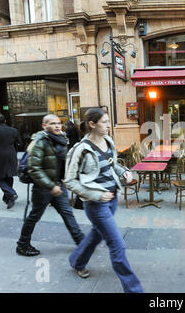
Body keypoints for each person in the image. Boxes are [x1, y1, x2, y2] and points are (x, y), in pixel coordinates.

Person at [64, 108, 143, 293]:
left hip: (113, 199)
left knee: (96, 235)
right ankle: (134, 290)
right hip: (96, 204)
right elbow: (69, 180)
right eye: (105, 122)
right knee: (117, 245)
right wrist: (96, 195)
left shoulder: (108, 141)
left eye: (109, 121)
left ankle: (76, 261)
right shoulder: (80, 149)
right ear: (92, 124)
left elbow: (111, 165)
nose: (109, 125)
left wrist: (123, 171)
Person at [16, 114, 85, 256]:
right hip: (43, 187)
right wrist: (50, 186)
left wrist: (65, 178)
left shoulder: (61, 139)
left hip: (58, 184)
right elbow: (34, 168)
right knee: (35, 215)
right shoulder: (40, 141)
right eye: (53, 123)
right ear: (44, 126)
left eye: (59, 123)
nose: (57, 126)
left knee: (67, 213)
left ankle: (81, 241)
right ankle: (22, 245)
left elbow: (61, 162)